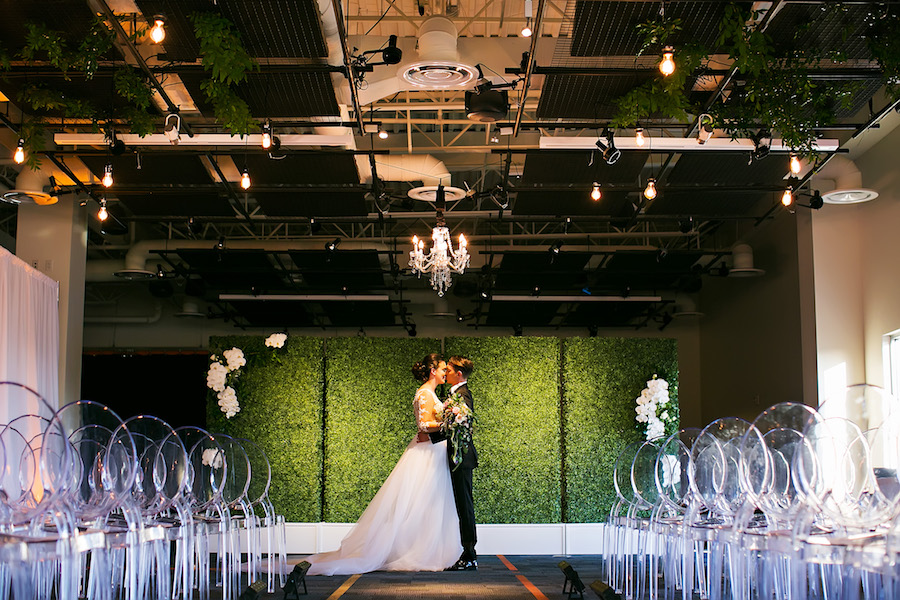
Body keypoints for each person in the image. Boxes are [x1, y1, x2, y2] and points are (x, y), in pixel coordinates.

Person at [306, 353, 462, 575]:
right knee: (418, 502)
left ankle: (430, 548)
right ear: (432, 371)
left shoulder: (433, 394)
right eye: (443, 369)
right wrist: (449, 424)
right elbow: (424, 425)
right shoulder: (425, 394)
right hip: (426, 454)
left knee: (431, 502)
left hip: (433, 451)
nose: (445, 373)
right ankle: (413, 550)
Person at [441, 356, 478, 571]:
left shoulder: (463, 396)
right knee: (461, 505)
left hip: (461, 459)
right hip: (456, 457)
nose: (445, 373)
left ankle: (469, 553)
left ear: (459, 374)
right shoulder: (455, 395)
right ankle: (467, 551)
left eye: (449, 370)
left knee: (465, 506)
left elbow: (462, 427)